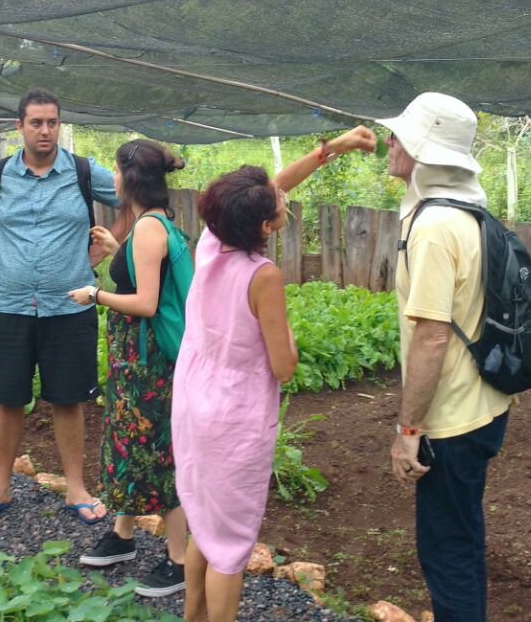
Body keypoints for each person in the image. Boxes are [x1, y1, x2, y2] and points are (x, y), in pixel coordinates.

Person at [173, 127, 375, 622]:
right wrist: (292, 344)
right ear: (264, 227)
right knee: (231, 548)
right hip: (233, 418)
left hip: (194, 401)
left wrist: (329, 150)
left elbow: (272, 190)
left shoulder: (211, 242)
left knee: (205, 523)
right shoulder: (263, 275)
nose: (282, 199)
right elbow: (283, 365)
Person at [0, 88, 123, 525]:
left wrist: (107, 247)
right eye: (36, 122)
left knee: (69, 399)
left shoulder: (82, 171)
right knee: (7, 398)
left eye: (52, 122)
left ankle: (76, 487)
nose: (45, 131)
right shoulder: (0, 173)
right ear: (19, 127)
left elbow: (133, 198)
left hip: (70, 304)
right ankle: (0, 485)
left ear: (60, 125)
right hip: (9, 303)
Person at [381, 92, 512, 621]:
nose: (389, 143)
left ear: (421, 152)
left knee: (446, 554)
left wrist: (408, 431)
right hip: (484, 402)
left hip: (451, 422)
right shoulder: (469, 214)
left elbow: (432, 337)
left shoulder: (433, 227)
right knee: (462, 540)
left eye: (399, 136)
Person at [67, 139, 191, 598]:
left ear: (130, 178)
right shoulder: (148, 226)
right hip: (136, 362)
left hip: (149, 366)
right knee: (128, 443)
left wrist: (93, 294)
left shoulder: (151, 231)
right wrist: (119, 248)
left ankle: (179, 561)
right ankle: (122, 537)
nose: (113, 179)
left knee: (156, 454)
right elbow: (144, 274)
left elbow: (145, 302)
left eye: (117, 172)